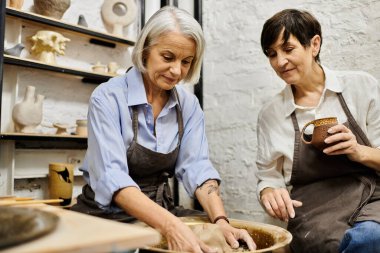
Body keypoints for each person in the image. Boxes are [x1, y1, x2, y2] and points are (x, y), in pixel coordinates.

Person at [71, 6, 256, 253]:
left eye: (186, 62)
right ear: (145, 50)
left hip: (162, 209)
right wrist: (171, 226)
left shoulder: (188, 106)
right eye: (168, 57)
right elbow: (112, 178)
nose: (177, 71)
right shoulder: (108, 97)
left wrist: (220, 220)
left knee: (226, 244)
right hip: (106, 214)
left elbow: (197, 168)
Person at [256, 9, 380, 253]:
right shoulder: (271, 113)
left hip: (371, 198)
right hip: (314, 211)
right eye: (272, 54)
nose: (280, 62)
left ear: (314, 44)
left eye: (288, 49)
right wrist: (269, 192)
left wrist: (357, 150)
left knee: (369, 238)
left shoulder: (361, 87)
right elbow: (268, 176)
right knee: (332, 244)